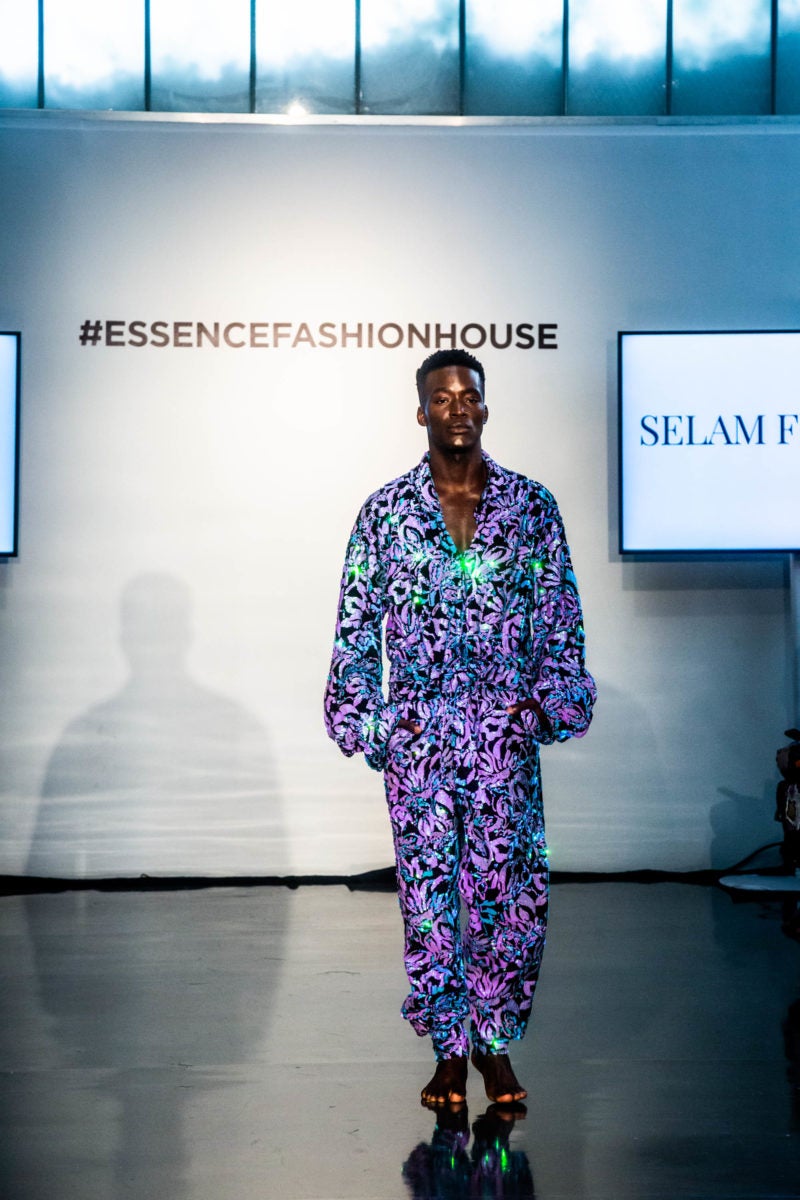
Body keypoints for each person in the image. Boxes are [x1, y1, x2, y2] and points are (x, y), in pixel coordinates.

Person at [324, 348, 596, 1107]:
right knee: (429, 898)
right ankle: (448, 1048)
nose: (457, 408)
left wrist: (546, 707)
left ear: (485, 407)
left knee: (511, 897)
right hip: (422, 737)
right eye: (441, 398)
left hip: (501, 734)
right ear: (421, 412)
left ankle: (494, 1045)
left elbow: (560, 612)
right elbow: (355, 624)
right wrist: (376, 724)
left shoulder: (530, 507)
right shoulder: (386, 512)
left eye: (468, 395)